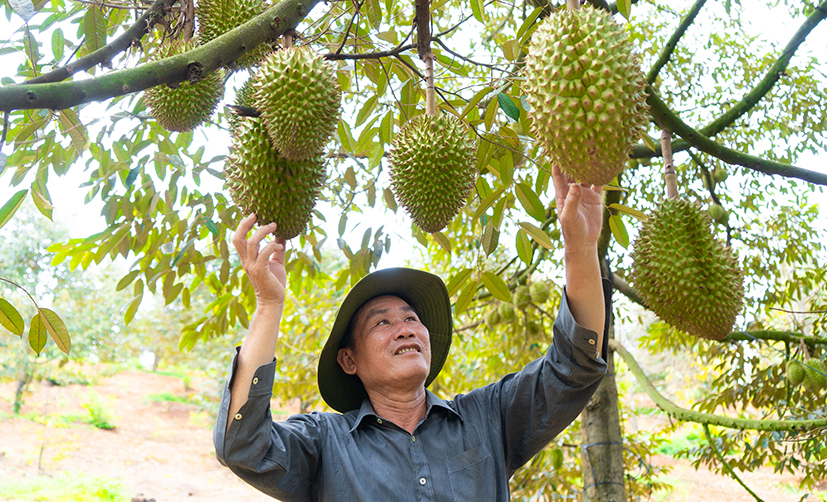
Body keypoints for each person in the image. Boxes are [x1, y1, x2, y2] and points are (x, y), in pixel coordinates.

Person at [213, 166, 611, 501]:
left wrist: (580, 245)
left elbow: (574, 365)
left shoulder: (488, 418)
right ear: (349, 360)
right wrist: (268, 305)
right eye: (382, 322)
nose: (405, 329)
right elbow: (243, 446)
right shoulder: (325, 443)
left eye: (411, 318)